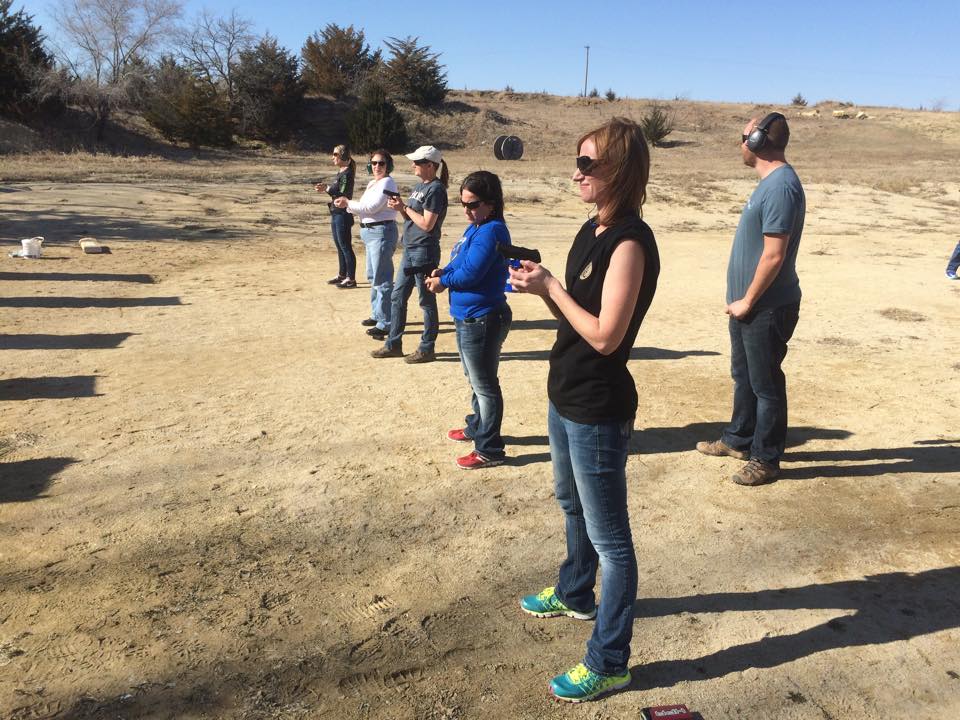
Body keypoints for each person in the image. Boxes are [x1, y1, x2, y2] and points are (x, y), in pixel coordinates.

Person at [508, 117, 660, 703]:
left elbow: (605, 336)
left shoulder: (629, 243)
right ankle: (575, 591)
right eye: (578, 161)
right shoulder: (590, 228)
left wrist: (552, 288)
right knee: (570, 503)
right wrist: (542, 288)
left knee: (613, 544)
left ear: (619, 170)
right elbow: (576, 317)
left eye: (587, 163)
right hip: (565, 393)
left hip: (598, 406)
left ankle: (610, 660)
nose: (576, 173)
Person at [696, 112, 805, 486]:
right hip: (748, 305)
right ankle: (738, 439)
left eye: (744, 136)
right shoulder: (769, 184)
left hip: (766, 306)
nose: (740, 143)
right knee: (744, 376)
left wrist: (748, 300)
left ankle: (766, 459)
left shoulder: (781, 187)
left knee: (766, 385)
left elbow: (774, 255)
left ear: (758, 141)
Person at [425, 171, 512, 469]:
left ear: (491, 203)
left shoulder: (492, 231)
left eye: (473, 204)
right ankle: (477, 426)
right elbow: (460, 262)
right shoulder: (476, 227)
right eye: (462, 203)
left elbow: (472, 274)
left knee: (485, 385)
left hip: (483, 317)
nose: (466, 210)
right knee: (475, 379)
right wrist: (444, 271)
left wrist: (444, 282)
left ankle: (490, 449)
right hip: (468, 317)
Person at [372, 145, 449, 364]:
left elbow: (427, 224)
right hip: (411, 248)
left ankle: (427, 348)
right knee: (397, 297)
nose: (413, 165)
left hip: (424, 250)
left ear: (430, 165)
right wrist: (401, 208)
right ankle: (393, 344)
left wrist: (405, 208)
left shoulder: (436, 189)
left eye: (417, 162)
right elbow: (414, 217)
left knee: (426, 300)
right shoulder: (420, 186)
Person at [334, 150, 399, 339]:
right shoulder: (373, 183)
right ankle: (377, 314)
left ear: (388, 166)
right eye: (374, 163)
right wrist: (349, 205)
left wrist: (348, 203)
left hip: (381, 231)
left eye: (381, 163)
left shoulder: (387, 182)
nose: (377, 166)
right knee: (373, 275)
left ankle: (385, 323)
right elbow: (363, 207)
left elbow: (370, 207)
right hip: (371, 232)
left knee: (382, 278)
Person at [315, 145, 356, 288]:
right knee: (340, 246)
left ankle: (351, 279)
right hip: (336, 212)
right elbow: (336, 191)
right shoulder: (341, 172)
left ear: (343, 156)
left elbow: (342, 193)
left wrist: (326, 188)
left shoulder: (347, 173)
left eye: (335, 154)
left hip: (343, 214)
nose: (332, 157)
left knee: (345, 246)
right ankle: (342, 275)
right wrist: (326, 188)